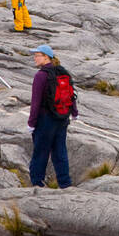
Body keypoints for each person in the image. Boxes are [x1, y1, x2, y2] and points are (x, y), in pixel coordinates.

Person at [28, 44, 78, 188]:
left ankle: (37, 184)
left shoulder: (41, 76)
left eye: (37, 55)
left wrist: (31, 123)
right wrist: (74, 113)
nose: (34, 58)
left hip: (45, 119)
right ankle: (65, 183)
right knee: (60, 151)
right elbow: (71, 95)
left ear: (46, 57)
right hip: (62, 118)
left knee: (40, 152)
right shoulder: (62, 72)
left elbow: (35, 102)